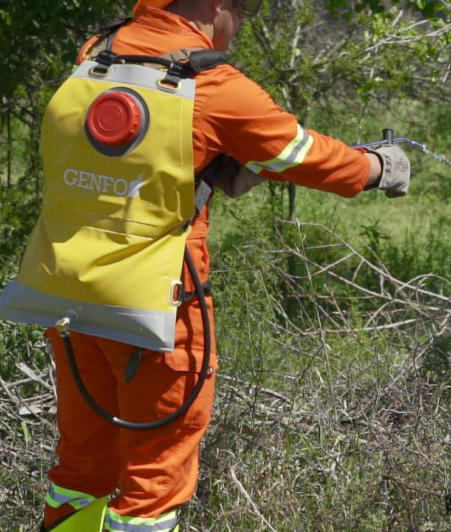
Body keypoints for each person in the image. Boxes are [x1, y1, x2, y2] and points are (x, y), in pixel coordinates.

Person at [37, 0, 411, 530]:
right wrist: (377, 167)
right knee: (153, 484)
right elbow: (299, 153)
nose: (241, 25)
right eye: (243, 9)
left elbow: (126, 159)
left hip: (68, 296)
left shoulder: (98, 53)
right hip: (157, 308)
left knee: (82, 466)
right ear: (216, 4)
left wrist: (209, 167)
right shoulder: (213, 84)